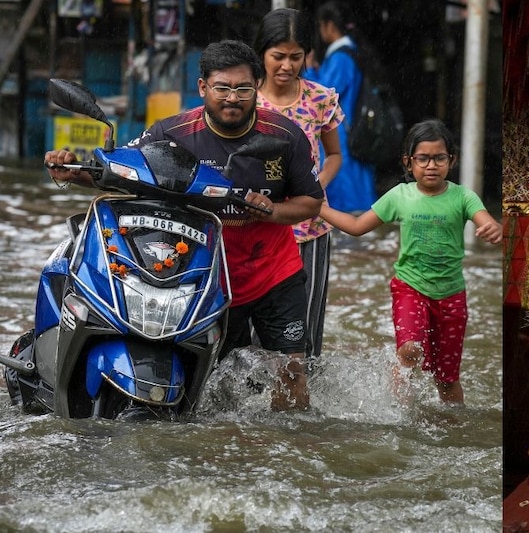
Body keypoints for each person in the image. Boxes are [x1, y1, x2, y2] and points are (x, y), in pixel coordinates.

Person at [44, 40, 323, 411]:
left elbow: (311, 202)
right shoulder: (172, 133)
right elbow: (124, 172)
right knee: (209, 387)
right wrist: (74, 171)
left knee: (292, 375)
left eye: (243, 88)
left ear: (257, 86)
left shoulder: (284, 136)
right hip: (206, 276)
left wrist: (271, 211)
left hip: (275, 273)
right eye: (222, 88)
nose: (232, 98)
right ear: (203, 88)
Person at [317, 119, 502, 404]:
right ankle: (400, 412)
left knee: (447, 378)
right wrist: (317, 208)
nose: (431, 166)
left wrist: (493, 228)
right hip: (410, 288)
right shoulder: (400, 196)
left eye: (439, 158)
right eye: (423, 159)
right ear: (409, 161)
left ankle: (454, 429)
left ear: (452, 160)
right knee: (409, 351)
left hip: (452, 295)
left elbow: (486, 220)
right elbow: (356, 226)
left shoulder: (463, 196)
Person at [254, 7, 344, 363]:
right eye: (278, 56)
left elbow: (335, 155)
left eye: (296, 57)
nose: (287, 66)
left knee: (303, 332)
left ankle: (301, 405)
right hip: (256, 226)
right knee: (251, 327)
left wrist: (313, 189)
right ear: (262, 53)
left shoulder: (321, 99)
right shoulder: (245, 100)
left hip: (309, 228)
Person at [302, 0, 377, 213]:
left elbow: (322, 93)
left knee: (346, 194)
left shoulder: (341, 57)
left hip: (342, 132)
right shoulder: (351, 52)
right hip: (352, 129)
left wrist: (308, 70)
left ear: (329, 25)